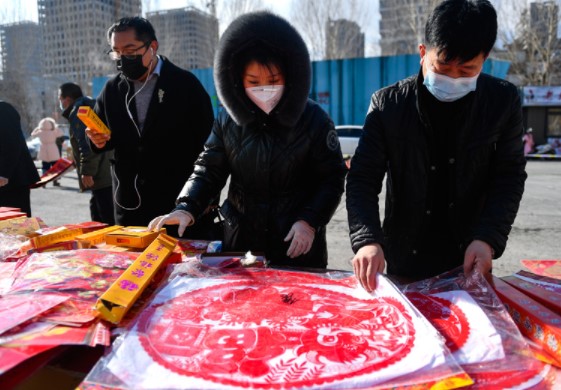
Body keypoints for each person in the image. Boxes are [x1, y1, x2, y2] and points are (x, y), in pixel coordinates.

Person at [347, 0, 527, 291]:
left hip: (470, 256)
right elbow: (362, 179)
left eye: (467, 70)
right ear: (422, 53)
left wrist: (488, 238)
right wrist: (367, 240)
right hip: (406, 258)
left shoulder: (502, 102)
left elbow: (509, 176)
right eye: (442, 66)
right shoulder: (388, 105)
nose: (453, 78)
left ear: (485, 59)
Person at [149, 11, 347, 269]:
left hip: (296, 243)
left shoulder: (314, 119)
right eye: (254, 82)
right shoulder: (227, 119)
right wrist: (187, 206)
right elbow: (208, 169)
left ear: (290, 76)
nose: (264, 89)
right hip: (241, 241)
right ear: (237, 80)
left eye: (273, 81)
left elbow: (331, 179)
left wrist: (309, 221)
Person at [85, 17, 214, 236]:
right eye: (117, 52)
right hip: (129, 203)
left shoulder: (184, 84)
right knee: (134, 266)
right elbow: (100, 134)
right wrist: (96, 140)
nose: (123, 58)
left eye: (131, 50)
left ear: (152, 46)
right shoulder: (113, 89)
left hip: (177, 202)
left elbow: (210, 148)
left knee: (181, 266)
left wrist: (205, 198)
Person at [59, 82, 115, 225]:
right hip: (106, 170)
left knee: (104, 220)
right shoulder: (91, 106)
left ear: (67, 99)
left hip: (100, 175)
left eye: (60, 98)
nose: (60, 102)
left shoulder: (79, 112)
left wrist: (87, 171)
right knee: (100, 212)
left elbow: (87, 143)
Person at [0, 101, 41, 216]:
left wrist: (4, 173)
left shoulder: (3, 109)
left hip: (12, 180)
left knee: (16, 223)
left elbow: (12, 143)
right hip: (6, 181)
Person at [31, 117, 64, 186]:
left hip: (43, 149)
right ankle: (55, 181)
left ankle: (44, 181)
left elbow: (33, 134)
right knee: (55, 167)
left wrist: (38, 128)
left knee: (45, 167)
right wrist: (55, 126)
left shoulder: (40, 132)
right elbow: (61, 133)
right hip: (53, 149)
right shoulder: (53, 131)